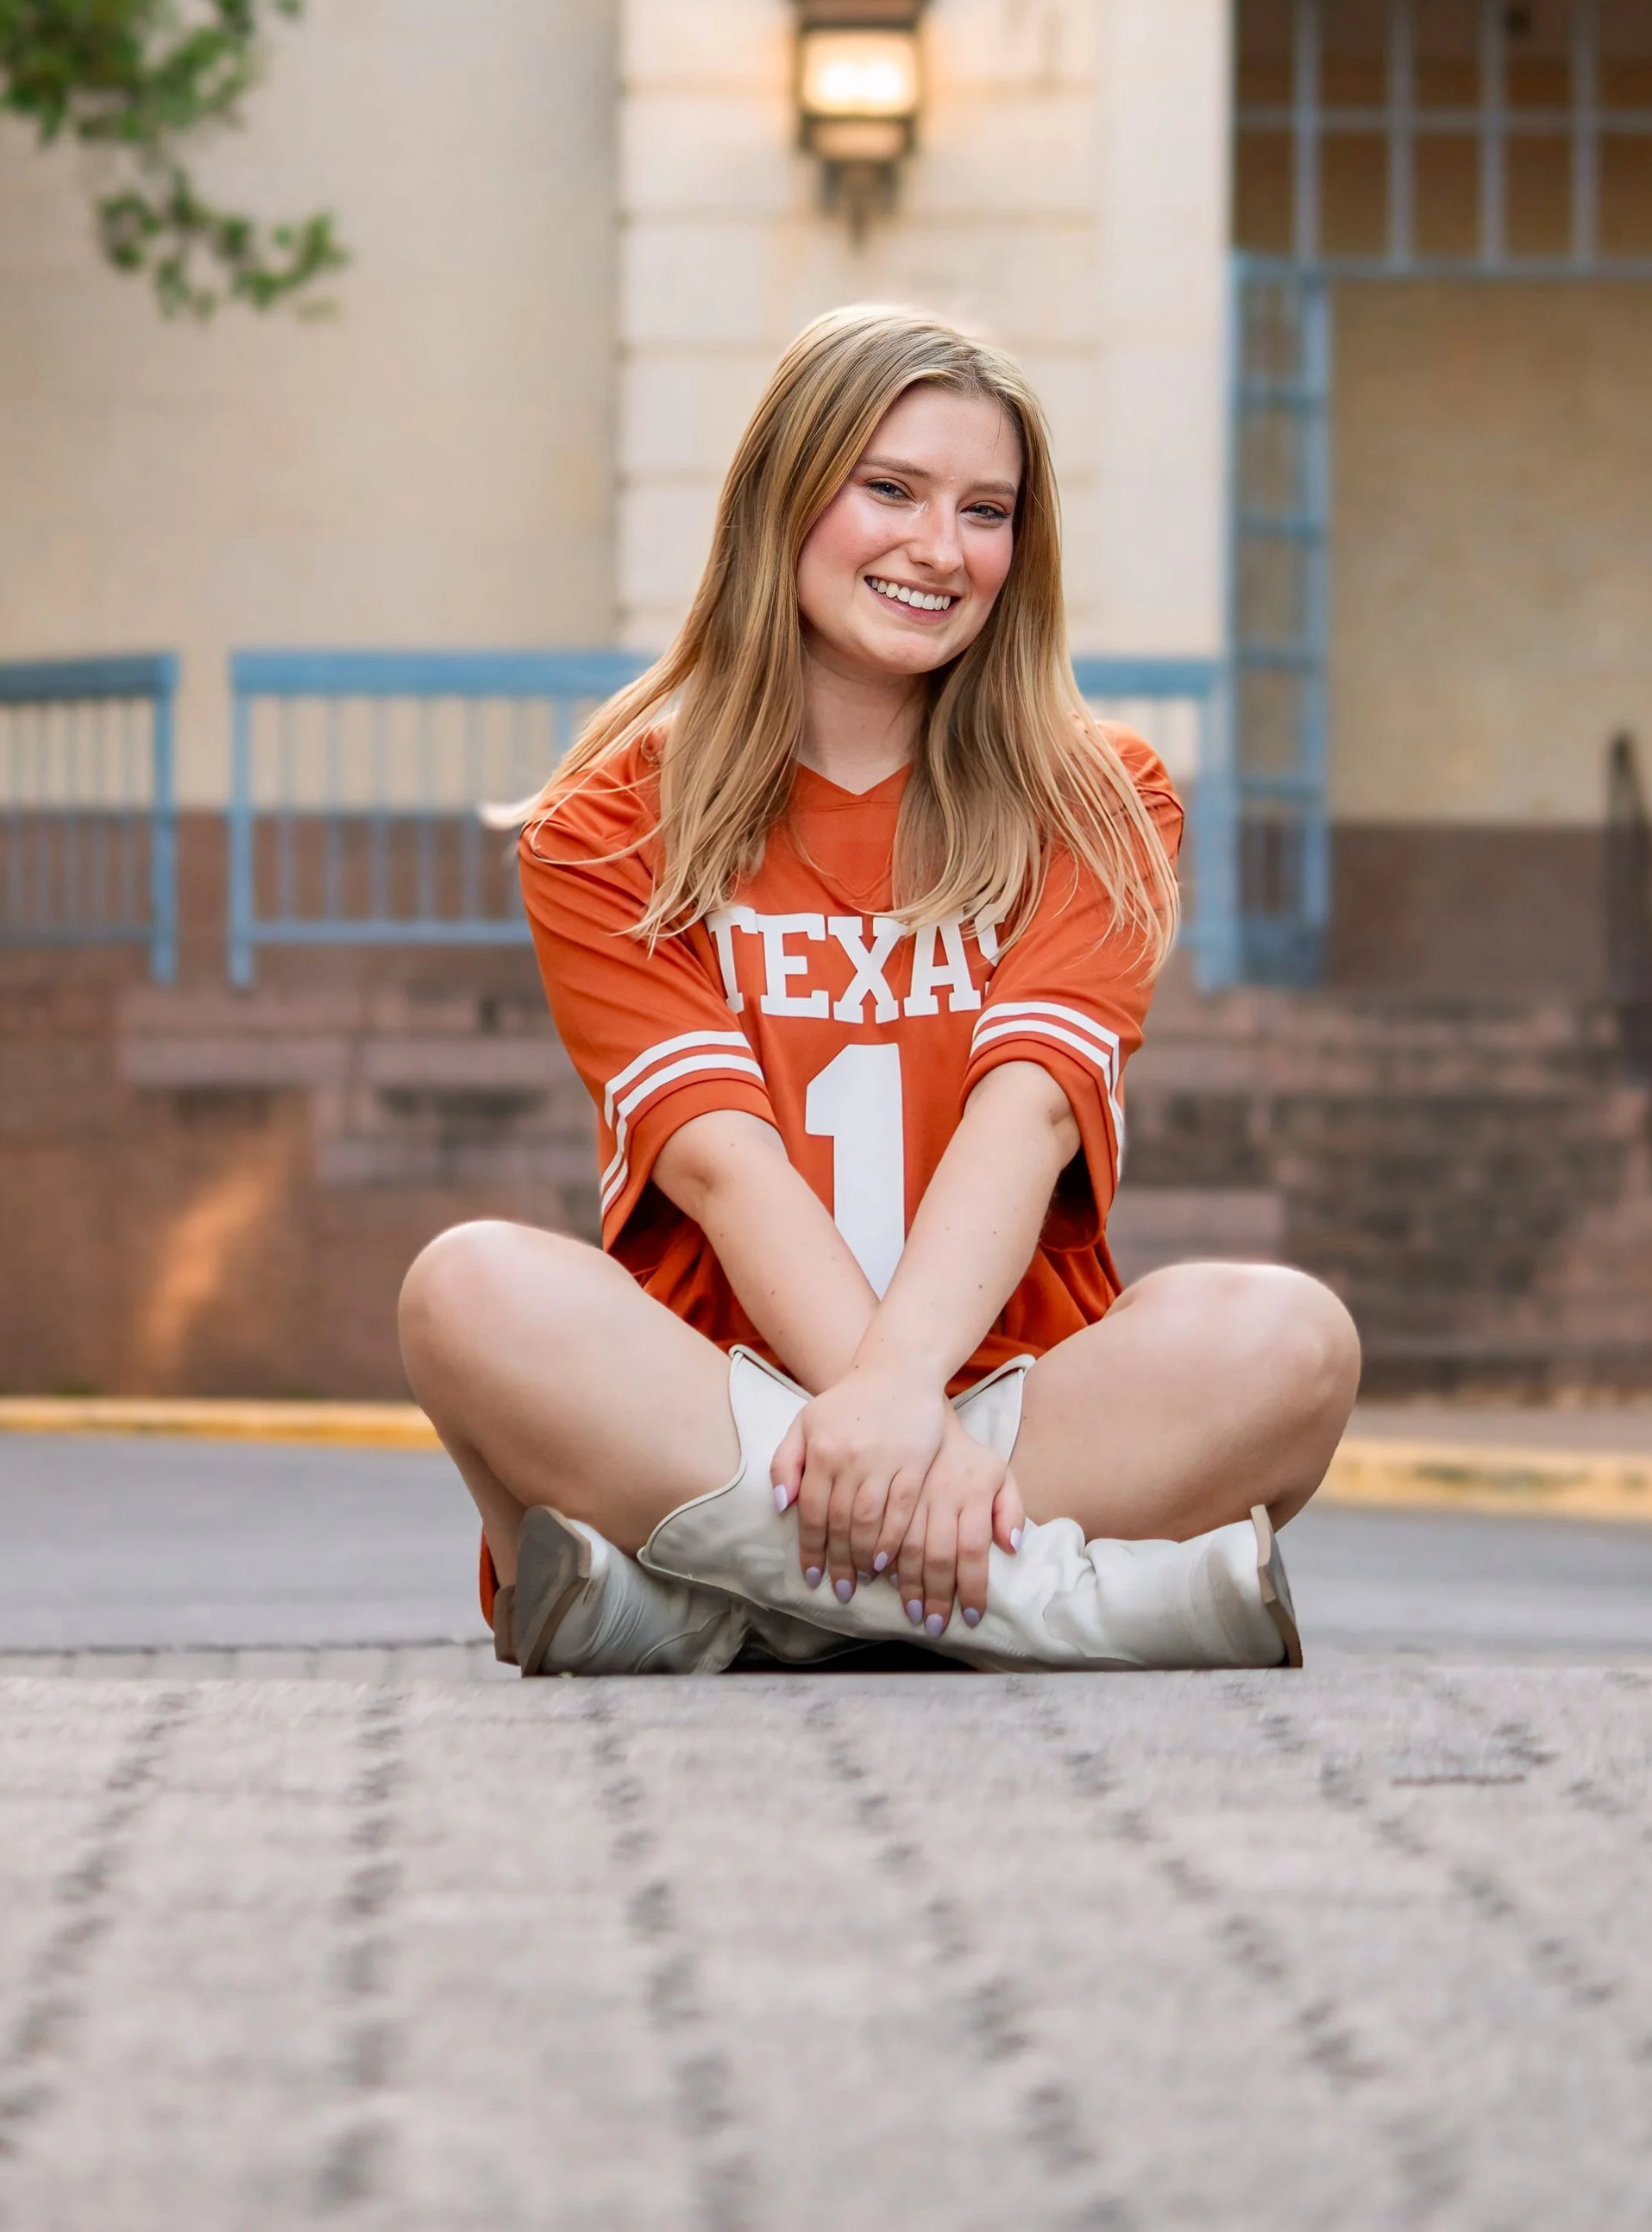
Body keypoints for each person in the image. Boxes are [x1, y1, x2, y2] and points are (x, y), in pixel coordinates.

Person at [399, 307, 1360, 1673]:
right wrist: (876, 1411)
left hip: (1007, 1419)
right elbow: (723, 1167)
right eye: (890, 488)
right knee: (468, 1289)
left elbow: (1027, 1117)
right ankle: (1047, 1604)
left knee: (1293, 1339)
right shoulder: (611, 818)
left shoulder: (1097, 797)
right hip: (721, 1420)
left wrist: (908, 1403)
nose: (939, 546)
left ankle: (711, 1604)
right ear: (785, 496)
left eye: (987, 509)